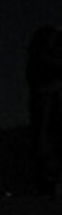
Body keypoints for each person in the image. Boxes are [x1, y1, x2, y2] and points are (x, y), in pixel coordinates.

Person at [27, 25, 62, 195]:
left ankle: (48, 183)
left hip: (50, 106)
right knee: (46, 143)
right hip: (45, 106)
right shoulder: (40, 59)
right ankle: (47, 184)